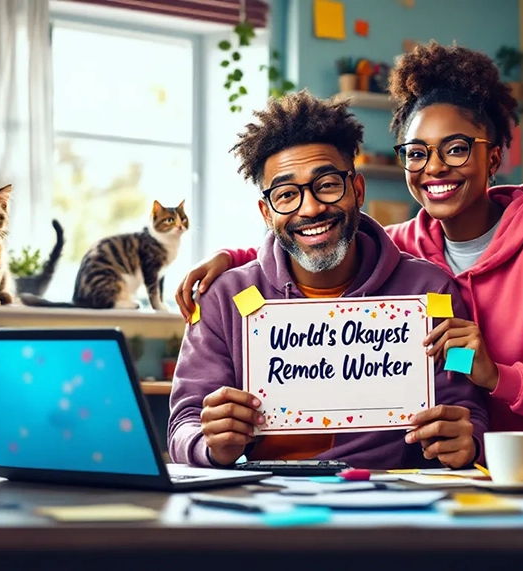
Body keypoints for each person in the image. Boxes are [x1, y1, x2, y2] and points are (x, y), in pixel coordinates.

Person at [174, 42, 523, 470]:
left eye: (456, 149)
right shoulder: (405, 245)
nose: (435, 167)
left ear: (494, 157)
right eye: (418, 153)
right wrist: (232, 261)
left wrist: (494, 382)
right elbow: (319, 241)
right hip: (480, 474)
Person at [168, 90, 488, 470]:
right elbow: (184, 422)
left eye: (328, 185)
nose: (311, 208)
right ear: (267, 214)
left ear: (358, 190)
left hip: (386, 491)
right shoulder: (222, 301)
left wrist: (469, 441)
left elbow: (466, 403)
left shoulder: (433, 292)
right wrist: (209, 443)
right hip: (262, 493)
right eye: (286, 194)